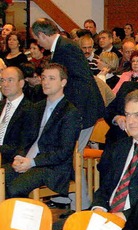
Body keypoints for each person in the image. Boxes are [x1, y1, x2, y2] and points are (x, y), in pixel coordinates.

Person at [2, 63, 81, 198]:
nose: (46, 82)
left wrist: (32, 162)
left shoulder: (70, 112)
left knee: (14, 188)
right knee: (2, 178)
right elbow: (26, 140)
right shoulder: (37, 107)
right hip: (29, 160)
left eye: (51, 78)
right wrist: (19, 157)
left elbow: (63, 152)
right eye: (43, 78)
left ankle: (21, 218)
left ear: (63, 82)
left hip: (52, 168)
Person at [32, 18, 104, 151]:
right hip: (79, 108)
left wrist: (73, 113)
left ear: (42, 34)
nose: (38, 43)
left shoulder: (65, 47)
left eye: (37, 39)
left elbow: (81, 81)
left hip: (82, 109)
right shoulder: (63, 45)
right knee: (72, 156)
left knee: (73, 156)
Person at [0, 67, 37, 165]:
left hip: (12, 161)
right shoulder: (1, 106)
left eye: (10, 80)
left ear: (21, 83)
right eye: (2, 80)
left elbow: (23, 146)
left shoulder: (30, 110)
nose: (5, 84)